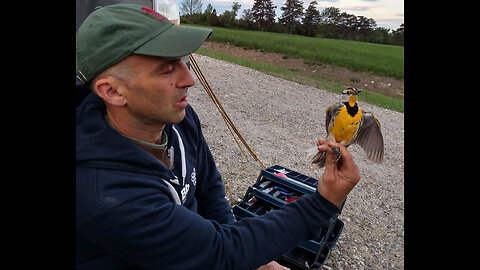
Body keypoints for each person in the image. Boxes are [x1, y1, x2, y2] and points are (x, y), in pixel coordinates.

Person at [76, 4, 361, 270]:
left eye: (183, 61)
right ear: (112, 92)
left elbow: (210, 190)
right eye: (167, 69)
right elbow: (221, 252)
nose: (189, 79)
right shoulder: (107, 195)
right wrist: (323, 201)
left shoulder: (178, 119)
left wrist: (253, 257)